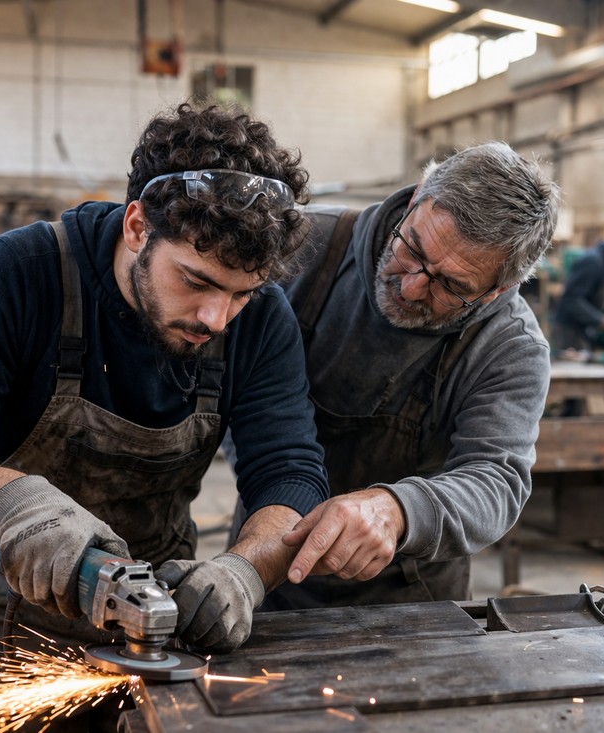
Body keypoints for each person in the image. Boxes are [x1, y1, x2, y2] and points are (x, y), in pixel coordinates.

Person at [0, 103, 330, 693]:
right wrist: (10, 503)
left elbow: (288, 471)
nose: (216, 317)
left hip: (166, 623)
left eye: (241, 294)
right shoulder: (24, 272)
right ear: (137, 226)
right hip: (6, 622)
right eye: (196, 280)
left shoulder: (260, 320)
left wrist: (247, 569)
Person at [227, 141, 559, 609]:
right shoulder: (303, 247)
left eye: (451, 286)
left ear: (495, 292)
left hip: (409, 596)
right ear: (416, 196)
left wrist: (398, 510)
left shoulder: (510, 346)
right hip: (266, 560)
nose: (411, 285)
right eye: (413, 248)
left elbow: (496, 480)